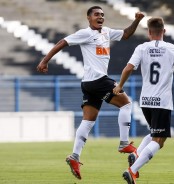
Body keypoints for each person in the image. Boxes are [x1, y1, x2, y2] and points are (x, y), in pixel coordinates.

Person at [37, 6, 144, 180]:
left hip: (88, 83)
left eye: (102, 14)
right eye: (96, 14)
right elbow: (61, 42)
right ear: (89, 18)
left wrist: (137, 20)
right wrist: (44, 61)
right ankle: (124, 143)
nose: (100, 17)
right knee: (126, 103)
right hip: (98, 80)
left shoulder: (107, 32)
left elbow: (125, 34)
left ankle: (74, 156)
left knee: (88, 121)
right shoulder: (85, 33)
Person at [113, 17, 174, 184]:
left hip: (145, 100)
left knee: (156, 134)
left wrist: (120, 86)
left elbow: (128, 68)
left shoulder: (141, 48)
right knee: (159, 140)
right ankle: (132, 171)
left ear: (149, 32)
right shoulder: (173, 49)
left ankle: (136, 155)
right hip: (162, 101)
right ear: (164, 31)